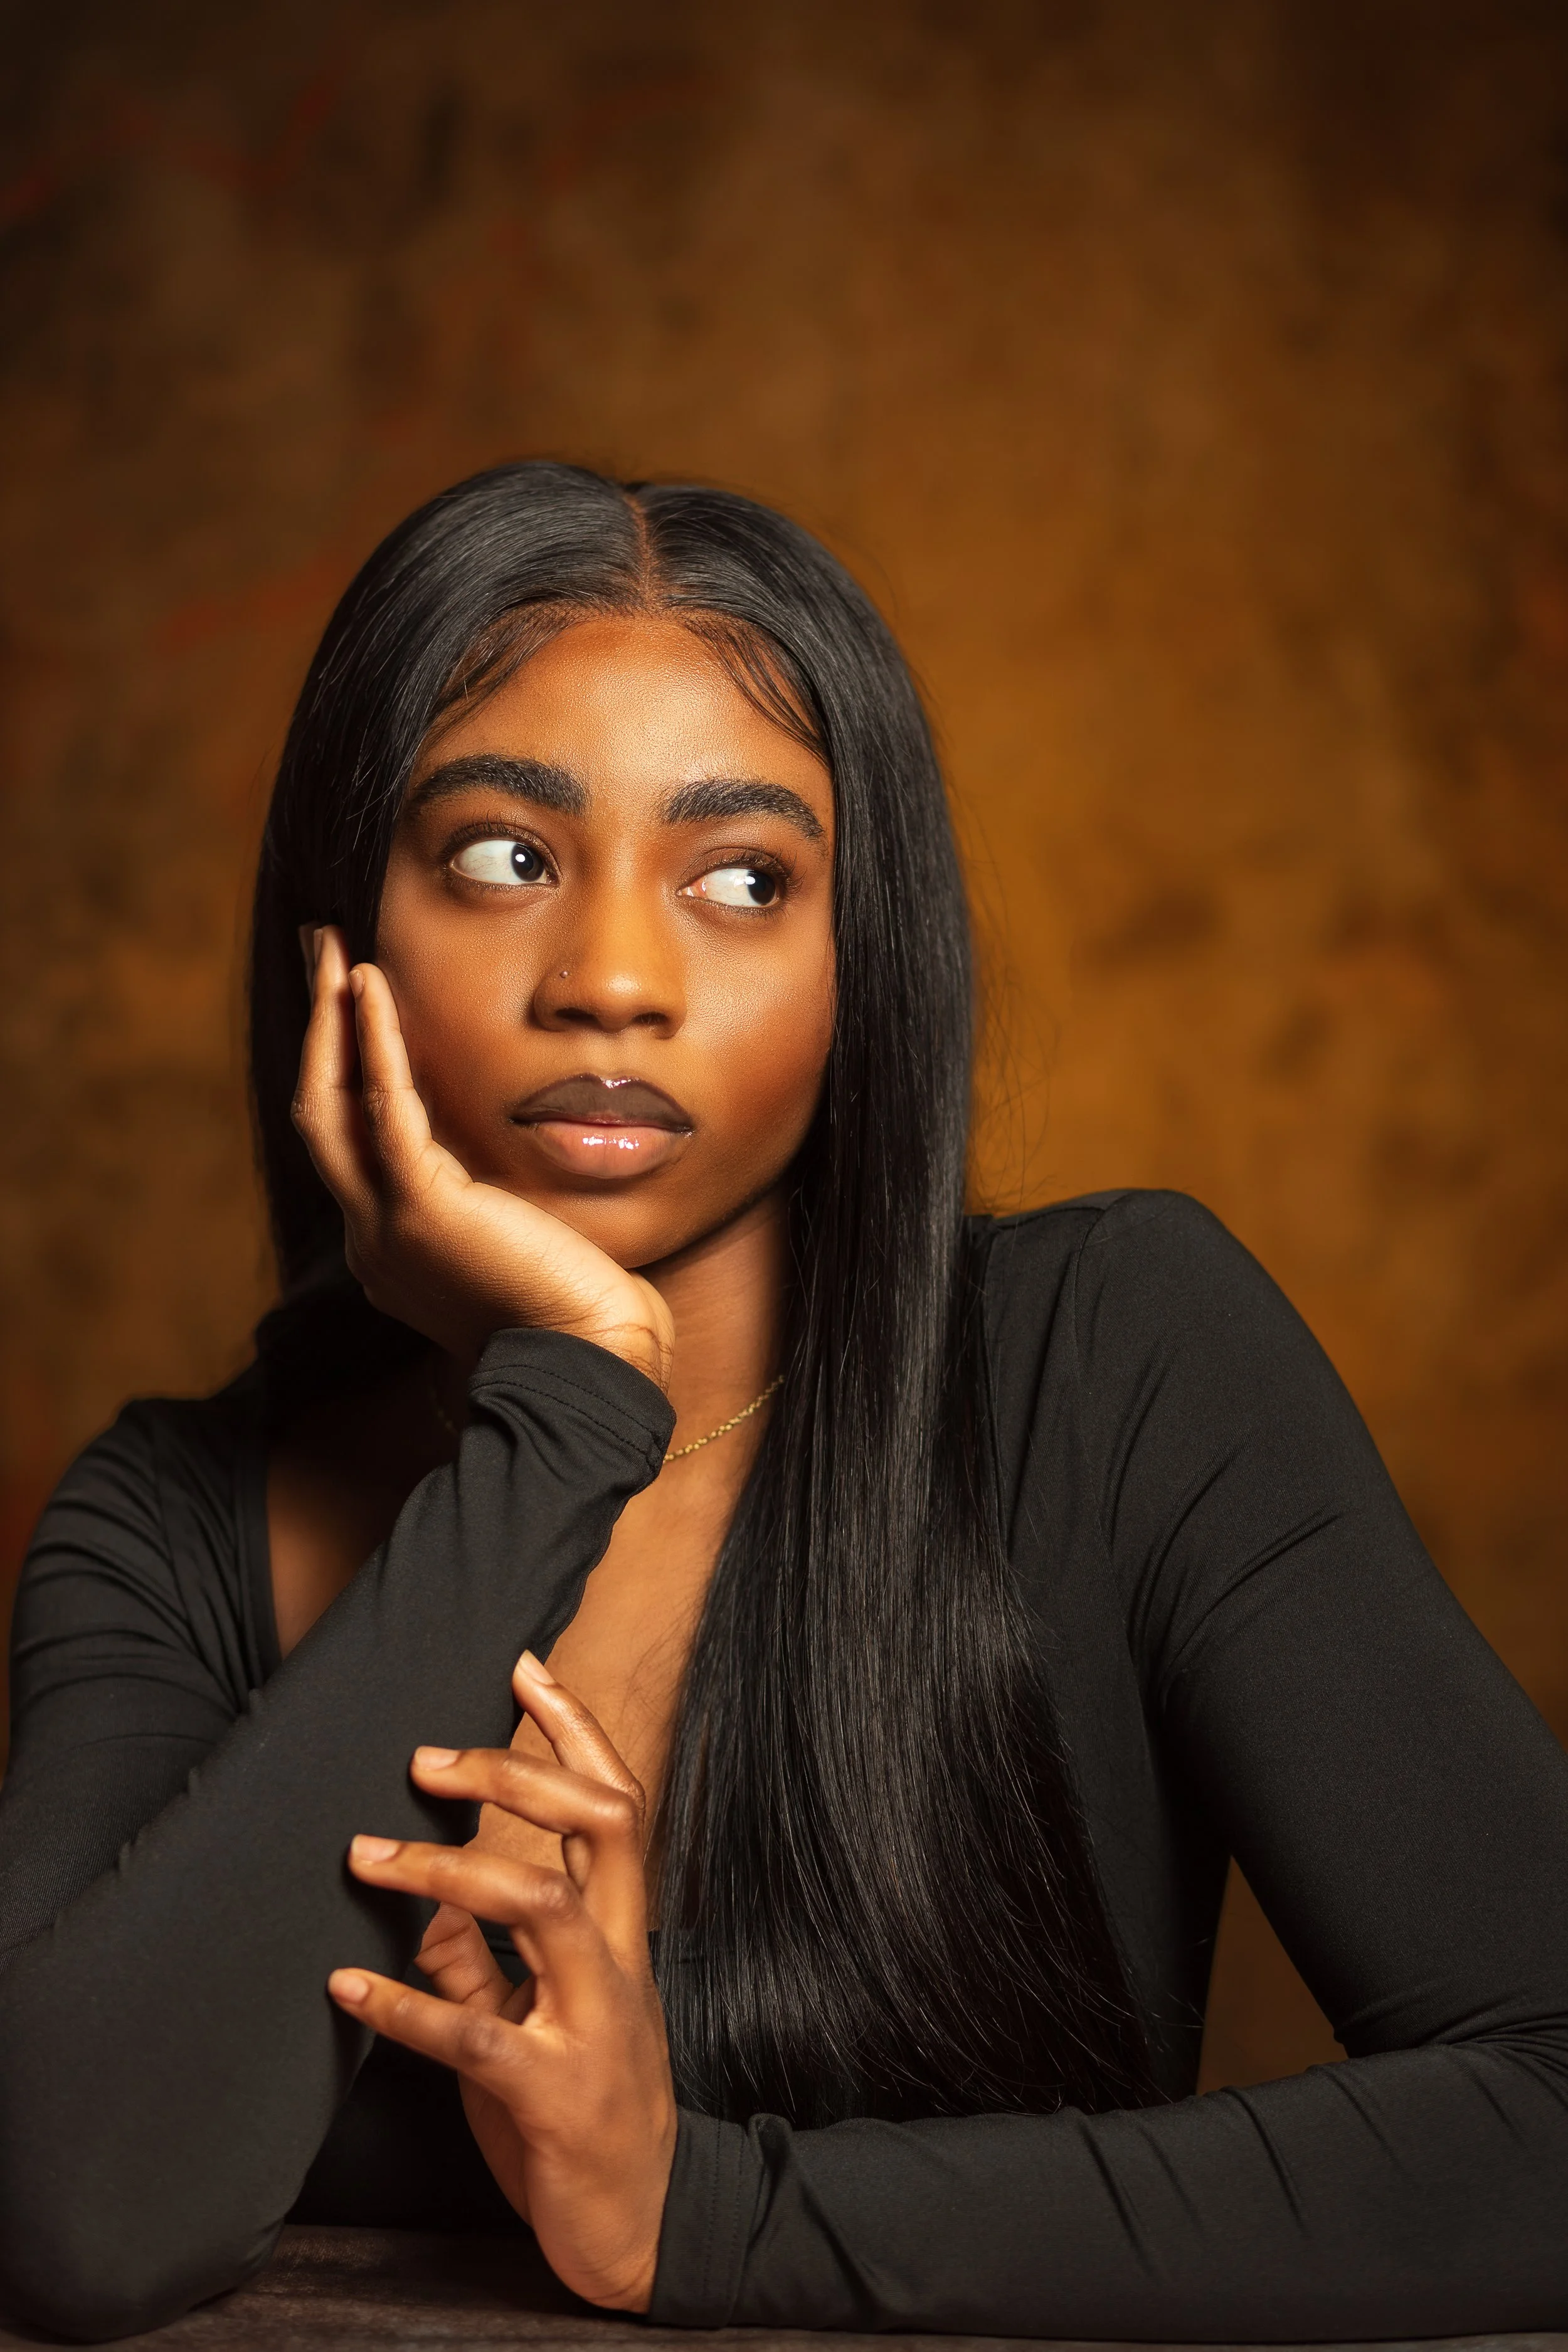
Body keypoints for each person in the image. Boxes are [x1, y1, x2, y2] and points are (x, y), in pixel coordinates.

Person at [1, 463, 1565, 2346]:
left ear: (861, 957)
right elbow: (80, 2207)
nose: (611, 982)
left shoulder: (1122, 1363)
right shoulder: (174, 1515)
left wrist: (702, 2211)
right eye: (503, 853)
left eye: (742, 878)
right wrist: (564, 1404)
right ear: (343, 929)